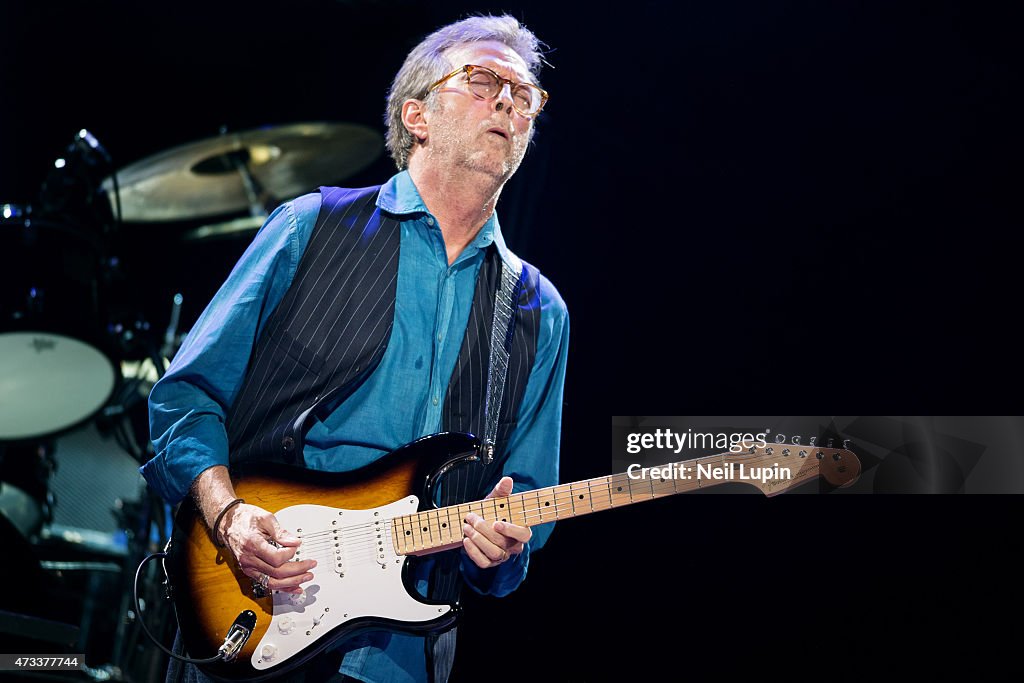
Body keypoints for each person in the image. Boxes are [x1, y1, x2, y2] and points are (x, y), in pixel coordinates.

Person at [141, 14, 568, 683]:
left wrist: (503, 549)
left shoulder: (539, 312)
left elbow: (524, 514)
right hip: (257, 608)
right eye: (484, 80)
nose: (509, 102)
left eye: (525, 95)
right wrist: (227, 512)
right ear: (417, 115)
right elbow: (186, 396)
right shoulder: (309, 227)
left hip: (401, 658)